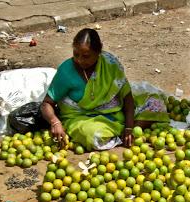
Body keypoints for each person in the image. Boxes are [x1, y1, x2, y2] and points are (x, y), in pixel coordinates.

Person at [41, 28, 169, 151]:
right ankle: (126, 131)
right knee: (91, 136)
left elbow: (127, 96)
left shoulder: (110, 64)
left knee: (155, 103)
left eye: (86, 56)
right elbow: (47, 103)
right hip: (81, 118)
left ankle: (129, 129)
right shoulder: (66, 70)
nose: (79, 60)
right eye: (76, 54)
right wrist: (55, 122)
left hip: (114, 112)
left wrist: (130, 127)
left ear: (98, 51)